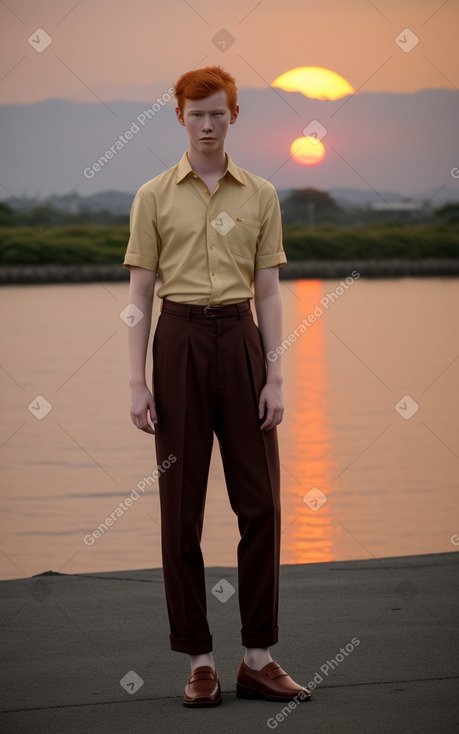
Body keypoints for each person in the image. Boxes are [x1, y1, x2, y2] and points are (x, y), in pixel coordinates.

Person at [123, 65, 310, 707]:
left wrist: (275, 374)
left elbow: (269, 290)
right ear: (179, 117)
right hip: (176, 345)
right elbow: (140, 294)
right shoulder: (152, 196)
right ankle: (200, 661)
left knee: (260, 504)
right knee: (181, 511)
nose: (207, 124)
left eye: (218, 114)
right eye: (196, 114)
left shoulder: (260, 194)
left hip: (242, 343)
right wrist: (136, 382)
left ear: (235, 115)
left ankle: (258, 658)